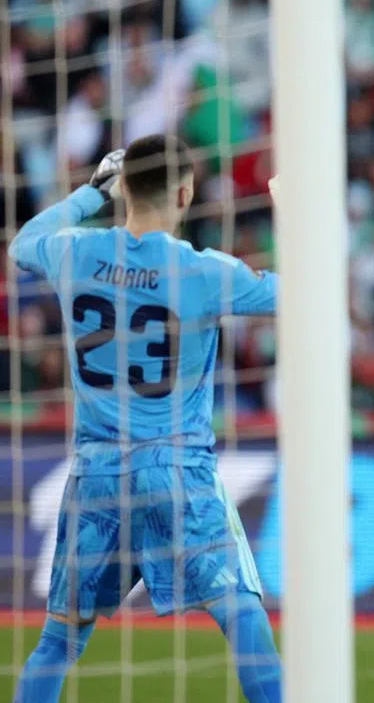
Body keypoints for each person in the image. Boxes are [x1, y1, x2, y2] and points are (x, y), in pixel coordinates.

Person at [10, 136, 281, 703]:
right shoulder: (203, 271)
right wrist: (297, 221)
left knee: (59, 641)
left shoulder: (75, 252)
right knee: (241, 613)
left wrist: (91, 193)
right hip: (177, 471)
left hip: (97, 475)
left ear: (125, 187)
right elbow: (296, 294)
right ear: (185, 194)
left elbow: (23, 244)